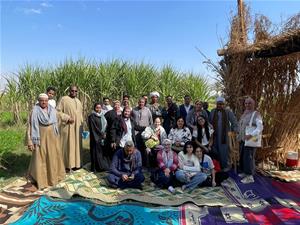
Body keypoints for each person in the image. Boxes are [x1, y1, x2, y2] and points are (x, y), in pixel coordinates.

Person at [27, 93, 70, 189]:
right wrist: (30, 141)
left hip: (53, 138)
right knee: (41, 158)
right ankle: (41, 180)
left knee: (53, 157)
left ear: (48, 101)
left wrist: (67, 118)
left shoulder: (52, 109)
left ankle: (54, 178)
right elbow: (30, 126)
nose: (44, 102)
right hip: (40, 139)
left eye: (45, 101)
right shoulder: (34, 111)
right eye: (42, 100)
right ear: (39, 101)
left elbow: (59, 115)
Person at [56, 85, 83, 171]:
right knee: (68, 146)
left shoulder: (78, 101)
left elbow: (80, 115)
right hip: (67, 127)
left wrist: (82, 126)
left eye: (75, 91)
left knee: (77, 146)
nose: (74, 92)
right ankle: (67, 165)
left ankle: (76, 164)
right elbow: (57, 112)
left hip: (77, 128)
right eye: (72, 91)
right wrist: (67, 118)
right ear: (69, 91)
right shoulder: (64, 99)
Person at [238, 97, 263, 184]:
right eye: (246, 103)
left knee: (249, 157)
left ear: (254, 104)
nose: (247, 105)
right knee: (243, 157)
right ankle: (245, 172)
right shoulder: (245, 113)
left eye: (249, 103)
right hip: (243, 139)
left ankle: (250, 176)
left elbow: (260, 127)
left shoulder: (256, 114)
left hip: (250, 139)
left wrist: (251, 135)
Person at [209, 97, 238, 171]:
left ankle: (225, 166)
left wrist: (234, 131)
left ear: (224, 104)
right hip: (214, 135)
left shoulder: (228, 112)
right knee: (215, 150)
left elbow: (234, 121)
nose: (220, 105)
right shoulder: (212, 111)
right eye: (218, 104)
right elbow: (209, 122)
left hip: (224, 136)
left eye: (221, 104)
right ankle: (217, 166)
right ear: (216, 104)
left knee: (224, 151)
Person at [87, 102, 110, 172]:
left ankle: (101, 166)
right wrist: (101, 135)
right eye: (97, 107)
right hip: (95, 138)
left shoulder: (102, 116)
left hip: (103, 138)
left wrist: (105, 133)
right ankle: (95, 168)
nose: (98, 109)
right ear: (94, 108)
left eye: (100, 108)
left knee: (101, 153)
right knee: (95, 153)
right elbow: (94, 128)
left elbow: (106, 125)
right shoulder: (92, 116)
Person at [132, 97, 153, 165]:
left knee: (145, 148)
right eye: (140, 102)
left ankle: (145, 164)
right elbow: (131, 120)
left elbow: (151, 121)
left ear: (144, 103)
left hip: (145, 133)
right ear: (138, 102)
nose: (141, 103)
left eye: (142, 102)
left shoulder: (147, 110)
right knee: (137, 147)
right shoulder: (134, 110)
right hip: (136, 132)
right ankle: (138, 163)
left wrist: (149, 131)